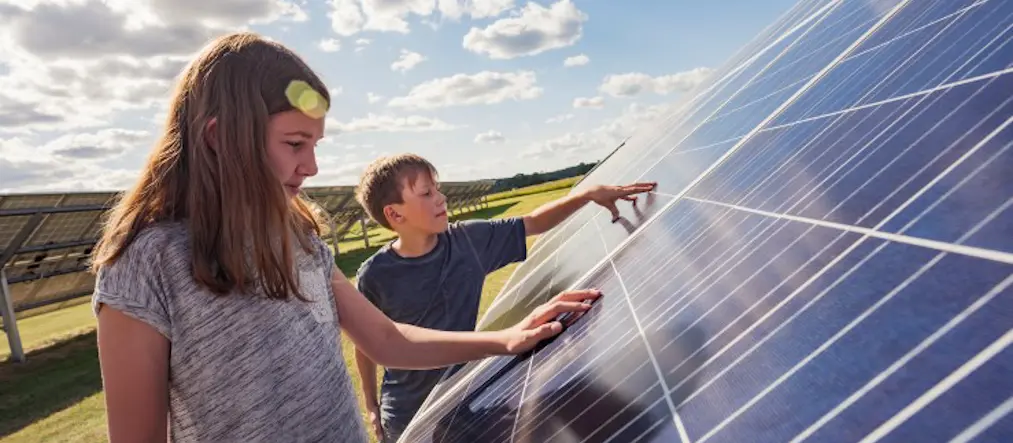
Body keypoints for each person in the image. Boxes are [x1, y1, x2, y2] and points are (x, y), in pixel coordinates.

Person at [90, 31, 601, 443]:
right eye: (295, 143)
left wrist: (506, 339)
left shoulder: (300, 239)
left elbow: (385, 339)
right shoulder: (144, 267)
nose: (311, 166)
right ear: (220, 137)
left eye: (315, 144)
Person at [352, 153, 656, 442]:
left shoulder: (469, 241)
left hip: (461, 401)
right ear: (395, 213)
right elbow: (366, 342)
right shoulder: (375, 275)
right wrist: (371, 403)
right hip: (406, 417)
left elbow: (534, 222)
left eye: (438, 188)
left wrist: (587, 195)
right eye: (426, 193)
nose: (441, 198)